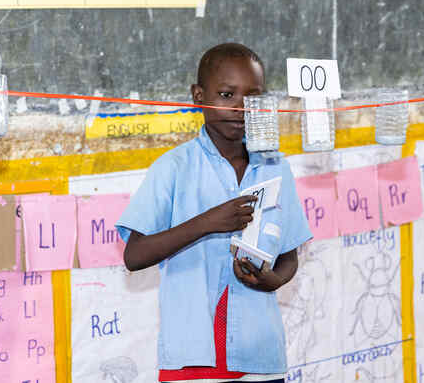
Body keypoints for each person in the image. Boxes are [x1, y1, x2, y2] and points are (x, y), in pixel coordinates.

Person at [116, 43, 312, 382]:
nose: (240, 108)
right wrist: (207, 223)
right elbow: (134, 255)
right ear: (198, 95)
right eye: (226, 94)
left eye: (252, 98)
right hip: (193, 363)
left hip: (261, 358)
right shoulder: (174, 168)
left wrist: (273, 280)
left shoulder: (276, 167)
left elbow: (288, 256)